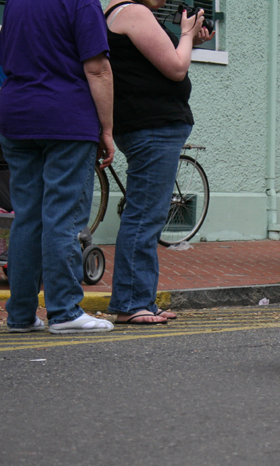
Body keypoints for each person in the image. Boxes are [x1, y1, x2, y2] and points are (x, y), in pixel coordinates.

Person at [0, 0, 115, 334]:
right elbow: (97, 69)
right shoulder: (81, 2)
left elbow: (2, 59)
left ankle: (20, 314)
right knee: (62, 214)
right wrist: (107, 129)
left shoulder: (15, 3)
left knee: (27, 216)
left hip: (17, 115)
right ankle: (64, 312)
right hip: (66, 118)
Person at [104, 0, 212, 325]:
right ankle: (132, 303)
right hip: (152, 127)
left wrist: (188, 38)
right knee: (145, 216)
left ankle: (141, 300)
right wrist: (187, 36)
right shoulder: (134, 13)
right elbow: (177, 68)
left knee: (145, 214)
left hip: (145, 127)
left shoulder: (114, 15)